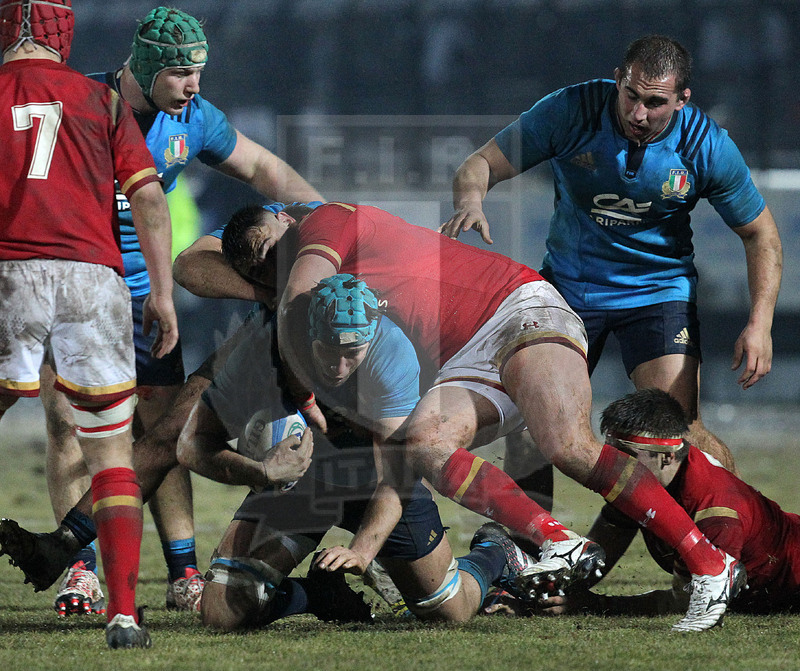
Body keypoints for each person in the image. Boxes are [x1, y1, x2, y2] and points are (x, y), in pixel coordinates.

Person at [218, 200, 743, 632]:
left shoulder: (322, 221)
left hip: (516, 308)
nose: (271, 264)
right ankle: (553, 539)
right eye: (256, 267)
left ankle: (708, 565)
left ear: (286, 217)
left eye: (270, 250)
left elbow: (295, 298)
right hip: (465, 358)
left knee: (567, 443)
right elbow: (194, 262)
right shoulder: (306, 267)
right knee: (425, 441)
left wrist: (305, 398)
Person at [39, 5, 324, 616]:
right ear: (142, 67)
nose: (194, 86)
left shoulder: (192, 118)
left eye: (198, 72)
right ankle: (80, 573)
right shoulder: (76, 106)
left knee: (163, 430)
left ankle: (183, 572)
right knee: (67, 426)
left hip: (145, 294)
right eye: (179, 73)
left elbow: (263, 167)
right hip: (72, 286)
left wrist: (324, 221)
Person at [441, 34, 783, 475]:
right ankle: (527, 543)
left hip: (658, 292)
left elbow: (762, 236)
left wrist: (760, 324)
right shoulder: (570, 111)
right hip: (568, 289)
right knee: (532, 425)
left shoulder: (706, 146)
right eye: (631, 95)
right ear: (618, 79)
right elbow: (480, 164)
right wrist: (470, 200)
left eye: (655, 103)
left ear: (682, 99)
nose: (638, 113)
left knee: (678, 434)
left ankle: (729, 536)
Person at [176, 273, 537, 627]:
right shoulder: (263, 352)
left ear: (371, 339)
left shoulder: (391, 354)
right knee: (223, 611)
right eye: (328, 352)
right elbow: (191, 445)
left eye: (352, 353)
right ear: (308, 336)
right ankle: (319, 596)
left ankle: (495, 554)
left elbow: (395, 479)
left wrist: (361, 552)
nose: (339, 366)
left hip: (374, 476)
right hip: (300, 479)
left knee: (447, 609)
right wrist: (261, 472)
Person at [0, 0, 179, 649]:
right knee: (110, 450)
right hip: (93, 280)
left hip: (10, 270)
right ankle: (125, 616)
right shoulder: (98, 100)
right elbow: (148, 196)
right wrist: (161, 293)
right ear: (61, 31)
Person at [533, 388, 800, 619]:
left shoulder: (714, 509)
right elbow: (596, 558)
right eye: (610, 453)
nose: (615, 466)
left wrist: (598, 604)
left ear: (666, 456)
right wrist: (538, 595)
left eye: (625, 453)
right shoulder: (642, 480)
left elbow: (687, 602)